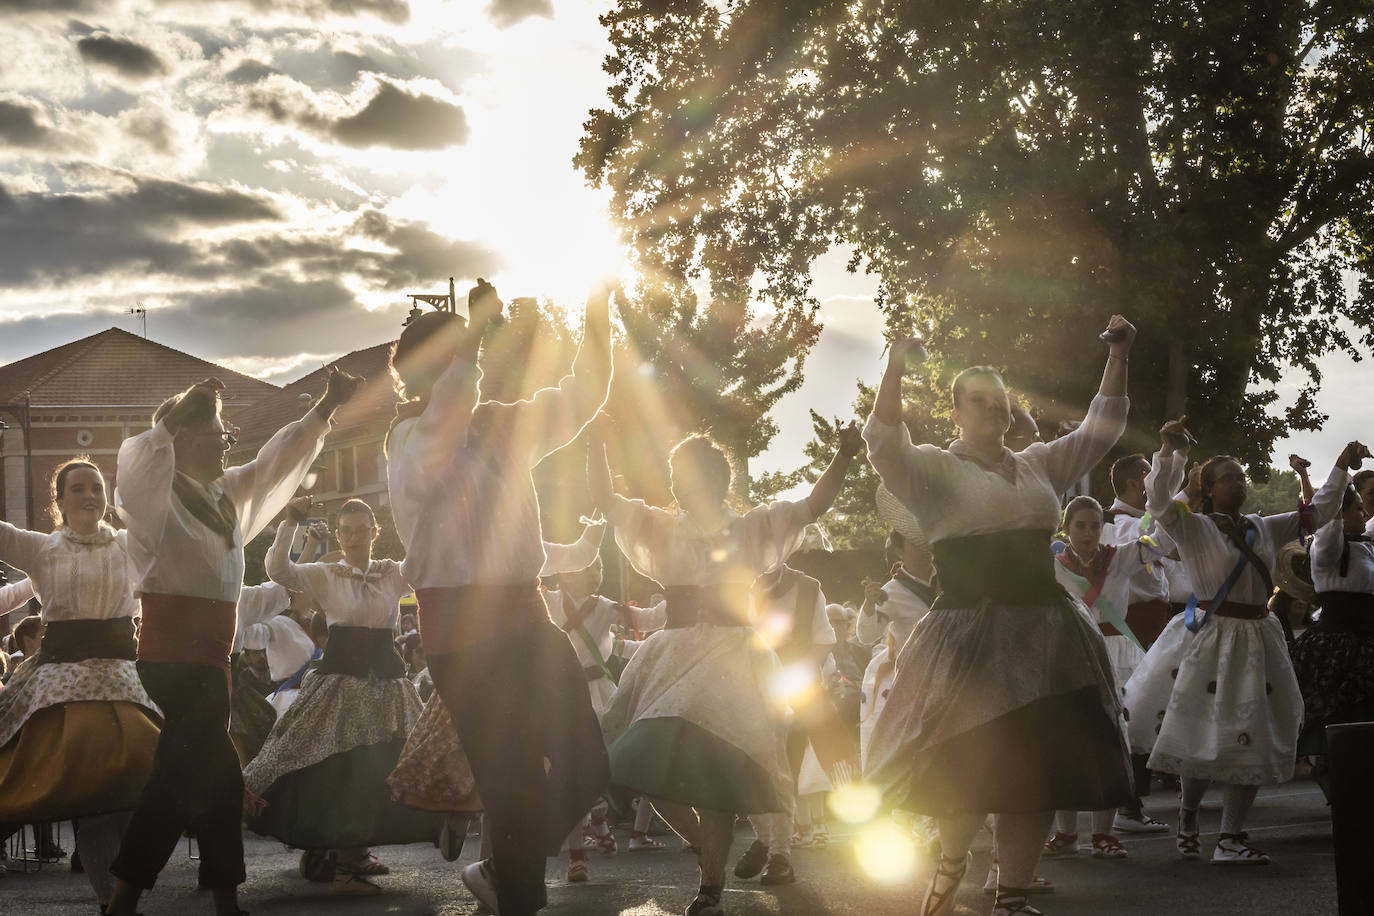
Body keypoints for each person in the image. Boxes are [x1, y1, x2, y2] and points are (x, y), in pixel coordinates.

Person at [863, 316, 1137, 916]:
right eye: (978, 401)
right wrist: (895, 365)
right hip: (967, 633)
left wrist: (1118, 353)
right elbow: (883, 441)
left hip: (1045, 634)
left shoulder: (1038, 464)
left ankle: (1011, 895)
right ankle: (953, 859)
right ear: (956, 412)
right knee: (963, 764)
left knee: (1038, 767)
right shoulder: (933, 467)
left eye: (1000, 401)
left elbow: (1101, 429)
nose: (993, 409)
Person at [386, 278, 613, 916]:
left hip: (529, 622)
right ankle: (514, 891)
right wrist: (474, 340)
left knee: (588, 767)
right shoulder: (408, 443)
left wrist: (598, 319)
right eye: (454, 358)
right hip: (461, 638)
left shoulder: (505, 425)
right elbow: (444, 425)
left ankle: (500, 867)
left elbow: (582, 395)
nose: (468, 365)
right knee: (512, 786)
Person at [105, 368, 358, 916]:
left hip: (209, 662)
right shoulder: (157, 496)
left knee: (211, 779)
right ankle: (138, 896)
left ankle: (207, 897)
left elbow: (275, 461)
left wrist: (325, 408)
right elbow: (138, 459)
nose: (228, 443)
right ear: (187, 438)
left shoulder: (224, 494)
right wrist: (179, 410)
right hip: (171, 659)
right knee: (190, 777)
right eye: (219, 434)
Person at [590, 416, 863, 916]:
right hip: (671, 658)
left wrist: (843, 457)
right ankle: (702, 849)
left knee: (716, 782)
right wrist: (596, 439)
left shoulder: (750, 528)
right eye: (673, 474)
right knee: (637, 764)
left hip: (731, 661)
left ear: (716, 481)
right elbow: (605, 499)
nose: (674, 483)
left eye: (684, 473)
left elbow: (810, 507)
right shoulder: (661, 528)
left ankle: (710, 887)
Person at [1122, 420, 1361, 867]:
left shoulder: (1261, 527)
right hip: (1213, 638)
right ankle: (1188, 817)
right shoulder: (1190, 526)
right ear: (1209, 489)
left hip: (1258, 638)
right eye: (1229, 477)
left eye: (1242, 476)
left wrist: (1341, 468)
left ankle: (1230, 836)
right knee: (1202, 734)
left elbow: (1318, 512)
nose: (1239, 483)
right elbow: (1158, 502)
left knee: (1250, 736)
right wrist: (1170, 453)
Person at [244, 496, 439, 885]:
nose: (352, 537)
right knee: (324, 758)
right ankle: (336, 843)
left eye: (360, 530)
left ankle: (357, 848)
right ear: (339, 534)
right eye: (345, 530)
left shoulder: (392, 572)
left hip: (386, 679)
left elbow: (424, 561)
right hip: (340, 678)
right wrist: (291, 522)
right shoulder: (326, 573)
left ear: (374, 532)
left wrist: (421, 510)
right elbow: (279, 568)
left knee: (390, 759)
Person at [0, 458, 161, 911]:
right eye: (78, 488)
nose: (90, 494)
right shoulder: (41, 549)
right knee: (91, 802)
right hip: (62, 683)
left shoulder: (132, 545)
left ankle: (125, 892)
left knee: (140, 787)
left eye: (97, 487)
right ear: (60, 501)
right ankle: (113, 902)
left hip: (124, 676)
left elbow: (180, 527)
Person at [732, 561, 840, 886]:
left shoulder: (807, 586)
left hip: (791, 687)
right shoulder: (732, 583)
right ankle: (764, 839)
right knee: (742, 768)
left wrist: (799, 678)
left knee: (780, 771)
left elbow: (823, 641)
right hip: (741, 684)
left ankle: (781, 855)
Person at [1290, 484, 1374, 800]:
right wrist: (1336, 478)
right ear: (1341, 513)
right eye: (1358, 509)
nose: (1365, 515)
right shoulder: (1328, 550)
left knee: (1363, 716)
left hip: (1366, 641)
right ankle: (1330, 773)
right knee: (1341, 716)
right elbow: (1326, 526)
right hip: (1337, 645)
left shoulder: (1366, 547)